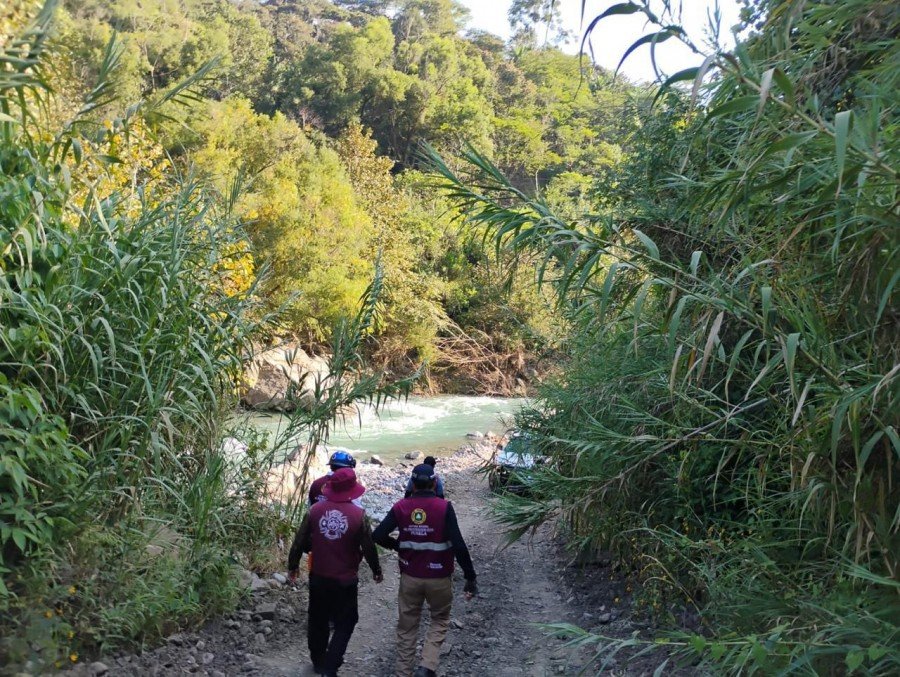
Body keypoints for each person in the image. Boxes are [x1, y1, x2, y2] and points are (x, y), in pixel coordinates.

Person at [373, 464, 477, 677]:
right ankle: (427, 666)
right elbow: (458, 544)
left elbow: (378, 535)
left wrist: (398, 546)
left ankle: (404, 673)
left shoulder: (401, 507)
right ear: (434, 483)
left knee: (407, 627)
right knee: (439, 619)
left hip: (410, 577)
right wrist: (470, 577)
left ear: (411, 484)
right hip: (439, 577)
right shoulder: (444, 507)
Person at [288, 468, 383, 677]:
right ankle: (330, 667)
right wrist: (376, 569)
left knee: (317, 618)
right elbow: (368, 546)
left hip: (319, 576)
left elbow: (299, 540)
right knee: (347, 621)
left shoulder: (314, 511)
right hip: (345, 580)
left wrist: (292, 565)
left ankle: (318, 661)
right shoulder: (359, 515)